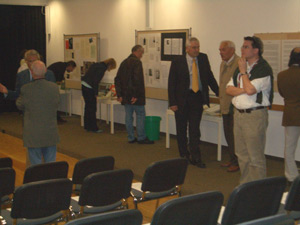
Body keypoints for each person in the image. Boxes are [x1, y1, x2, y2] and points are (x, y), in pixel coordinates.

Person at [226, 36, 273, 184]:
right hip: (239, 115)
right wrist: (243, 89)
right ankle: (246, 187)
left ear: (256, 50)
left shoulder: (263, 68)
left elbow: (251, 90)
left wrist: (243, 73)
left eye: (246, 47)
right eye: (242, 46)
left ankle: (258, 191)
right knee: (242, 155)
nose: (242, 49)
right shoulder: (241, 67)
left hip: (254, 116)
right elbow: (228, 89)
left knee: (255, 157)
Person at [168, 37, 219, 168]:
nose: (197, 50)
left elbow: (209, 77)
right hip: (181, 100)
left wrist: (220, 93)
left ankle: (196, 157)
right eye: (194, 47)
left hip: (197, 98)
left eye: (198, 47)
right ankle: (184, 154)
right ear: (187, 49)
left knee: (195, 129)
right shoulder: (177, 61)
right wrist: (172, 102)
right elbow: (171, 83)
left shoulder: (203, 58)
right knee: (181, 128)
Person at [16, 60, 60, 165]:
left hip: (33, 134)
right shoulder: (54, 88)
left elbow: (19, 105)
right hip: (50, 132)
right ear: (45, 71)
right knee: (51, 165)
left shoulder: (26, 89)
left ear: (32, 72)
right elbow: (57, 103)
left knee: (35, 166)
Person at [114, 45, 154, 144]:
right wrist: (136, 95)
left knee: (128, 117)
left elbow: (117, 79)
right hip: (135, 96)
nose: (142, 55)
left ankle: (130, 137)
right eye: (142, 52)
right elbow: (138, 80)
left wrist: (119, 95)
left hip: (126, 96)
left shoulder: (124, 62)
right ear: (137, 51)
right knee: (140, 115)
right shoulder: (137, 62)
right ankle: (141, 137)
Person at [277, 47, 300, 183]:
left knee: (289, 148)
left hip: (290, 113)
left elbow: (282, 93)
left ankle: (291, 176)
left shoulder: (282, 75)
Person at [219, 40, 240, 172]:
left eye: (223, 50)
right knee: (228, 134)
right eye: (220, 50)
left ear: (232, 50)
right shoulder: (223, 63)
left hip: (234, 107)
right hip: (225, 105)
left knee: (234, 136)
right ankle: (232, 159)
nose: (221, 53)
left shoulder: (239, 64)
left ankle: (237, 162)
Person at [81, 58, 116, 133]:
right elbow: (95, 81)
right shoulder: (102, 68)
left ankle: (87, 126)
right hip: (89, 87)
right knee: (92, 108)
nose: (109, 69)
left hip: (84, 85)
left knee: (87, 107)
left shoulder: (97, 64)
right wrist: (96, 93)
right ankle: (93, 128)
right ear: (110, 65)